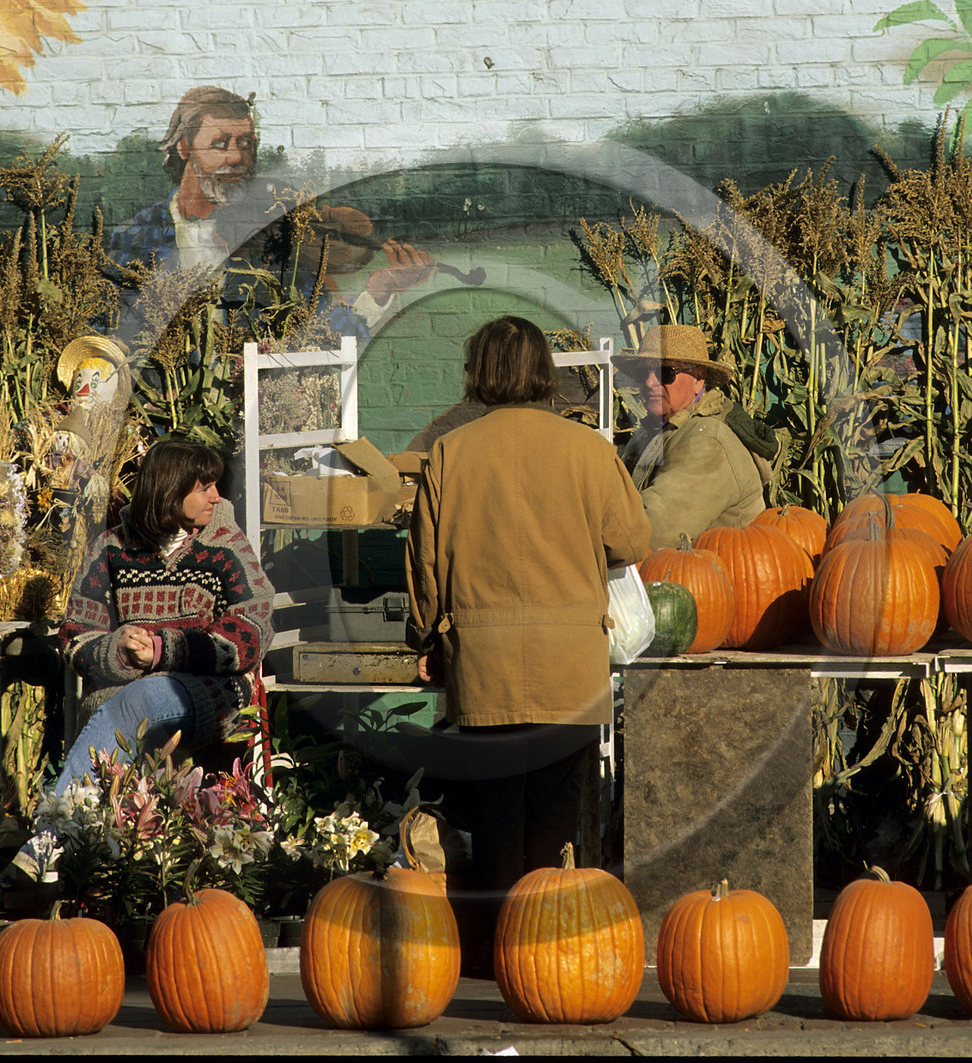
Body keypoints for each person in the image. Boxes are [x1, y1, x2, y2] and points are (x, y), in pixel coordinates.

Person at [406, 315, 651, 967]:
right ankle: (540, 957)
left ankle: (493, 957)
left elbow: (426, 568)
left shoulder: (449, 453)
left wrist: (425, 636)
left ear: (479, 374)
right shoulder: (588, 449)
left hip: (483, 667)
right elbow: (632, 540)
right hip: (570, 669)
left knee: (494, 820)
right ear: (544, 371)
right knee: (555, 821)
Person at [106, 85, 434, 335]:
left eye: (245, 144)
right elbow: (107, 335)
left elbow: (319, 335)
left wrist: (379, 291)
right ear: (184, 147)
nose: (237, 157)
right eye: (220, 144)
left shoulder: (271, 235)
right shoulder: (136, 237)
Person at [55, 440, 274, 791]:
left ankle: (59, 815)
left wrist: (162, 650)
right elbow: (74, 635)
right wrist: (119, 650)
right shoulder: (111, 548)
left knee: (145, 696)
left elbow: (253, 629)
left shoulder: (227, 545)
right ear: (170, 492)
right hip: (120, 693)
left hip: (209, 691)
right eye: (205, 488)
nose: (216, 497)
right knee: (133, 702)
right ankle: (79, 816)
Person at [617, 323, 767, 548]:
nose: (649, 382)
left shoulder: (707, 442)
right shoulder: (655, 429)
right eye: (642, 373)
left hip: (709, 568)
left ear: (698, 378)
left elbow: (653, 532)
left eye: (665, 372)